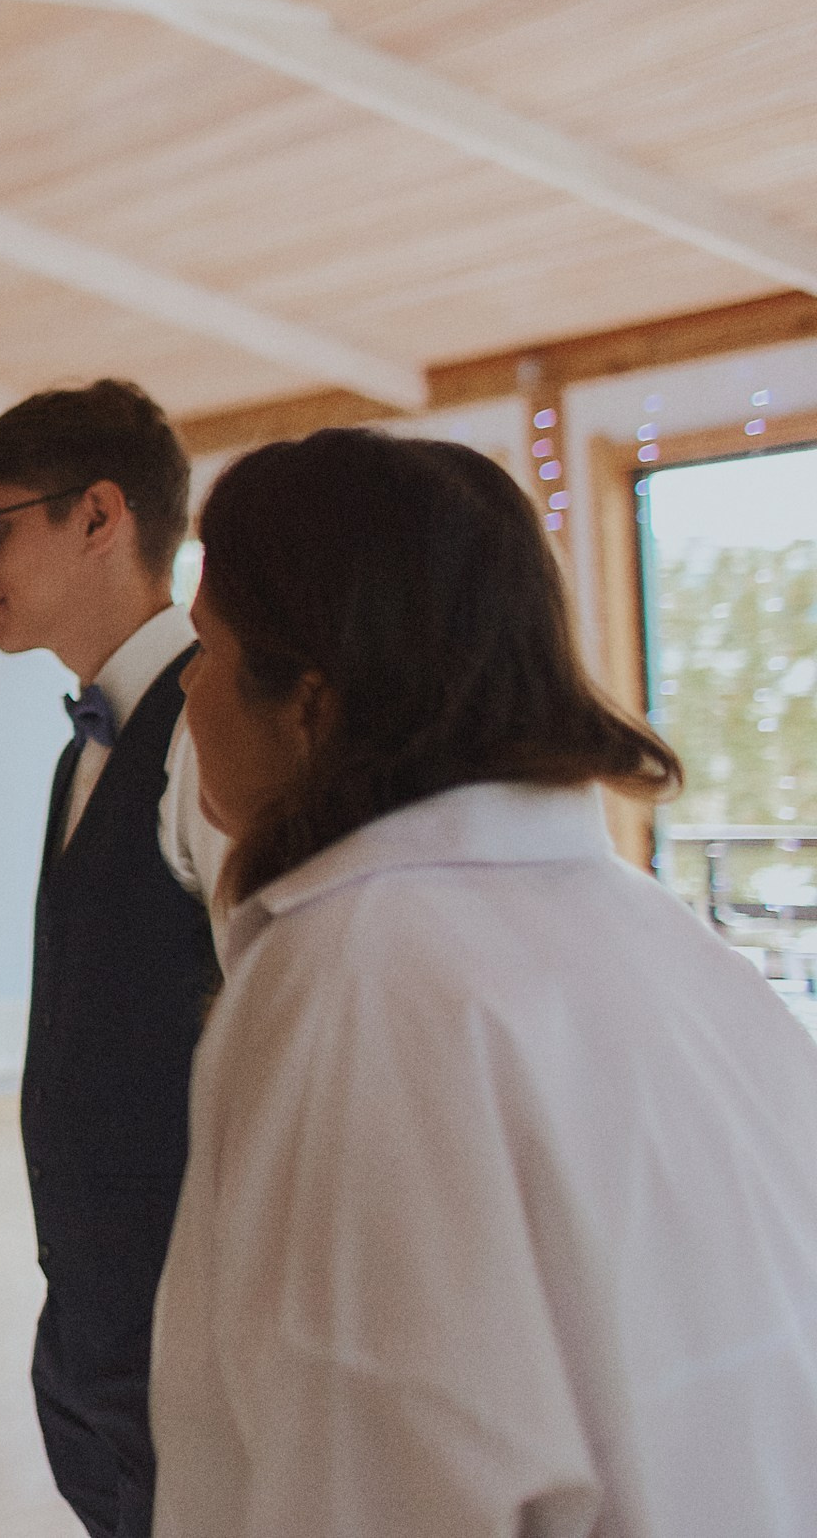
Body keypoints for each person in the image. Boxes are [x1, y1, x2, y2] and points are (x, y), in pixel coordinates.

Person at [154, 430, 817, 1537]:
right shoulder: (672, 944)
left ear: (309, 703)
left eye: (207, 650)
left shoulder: (353, 982)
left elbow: (372, 1465)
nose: (188, 689)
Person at [0, 379, 226, 1538]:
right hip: (93, 1324)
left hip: (188, 1318)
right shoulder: (84, 746)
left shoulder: (217, 728)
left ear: (99, 516)